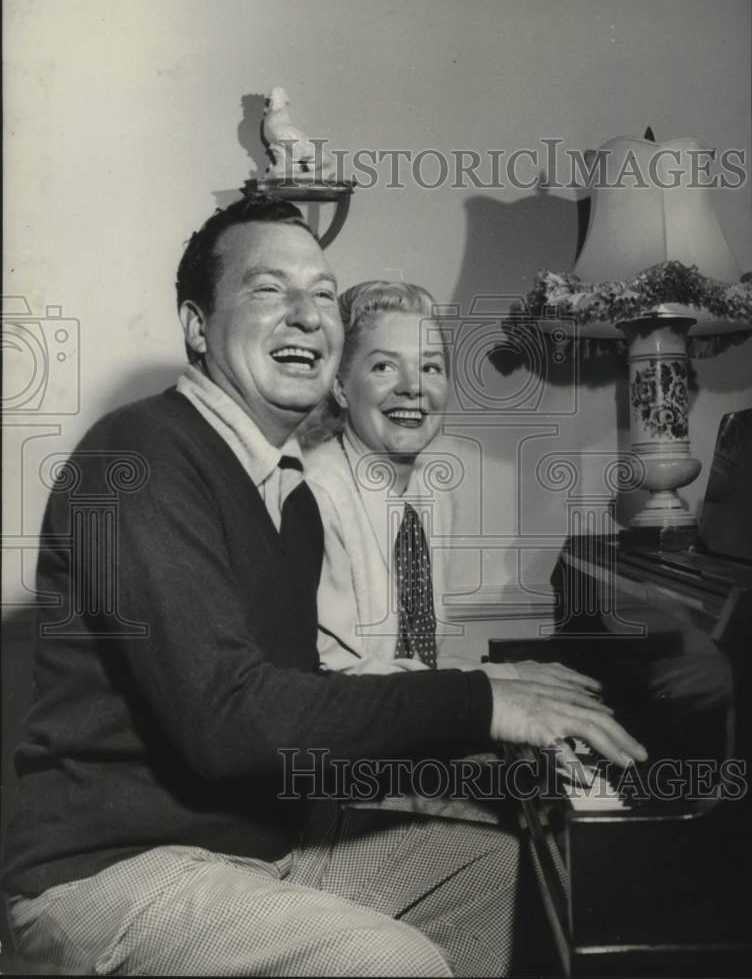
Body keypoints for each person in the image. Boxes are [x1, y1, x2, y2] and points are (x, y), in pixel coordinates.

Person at [3, 198, 646, 977]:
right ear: (198, 325)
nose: (307, 315)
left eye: (321, 293)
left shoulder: (290, 498)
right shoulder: (139, 454)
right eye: (270, 291)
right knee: (390, 962)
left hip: (255, 846)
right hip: (110, 872)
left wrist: (495, 724)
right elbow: (229, 720)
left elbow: (301, 703)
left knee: (509, 878)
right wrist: (480, 701)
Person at [302, 281, 601, 974]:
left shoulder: (419, 497)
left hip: (383, 766)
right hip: (326, 802)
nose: (414, 387)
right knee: (531, 863)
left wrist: (513, 722)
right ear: (342, 386)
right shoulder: (315, 499)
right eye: (384, 366)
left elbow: (413, 665)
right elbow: (332, 690)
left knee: (544, 828)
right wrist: (493, 703)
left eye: (430, 367)